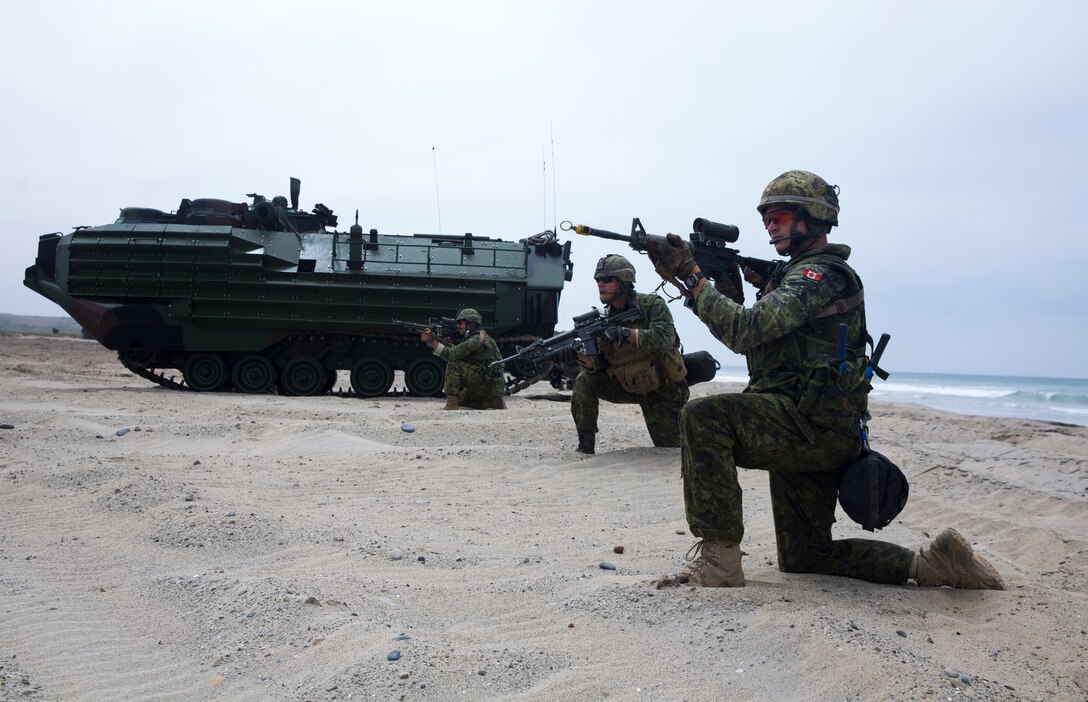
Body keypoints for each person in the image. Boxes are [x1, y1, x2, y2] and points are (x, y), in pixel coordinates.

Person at [645, 170, 1005, 590]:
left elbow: (743, 330)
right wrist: (707, 284)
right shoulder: (791, 278)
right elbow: (747, 339)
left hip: (809, 427)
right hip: (808, 426)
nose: (769, 224)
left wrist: (693, 277)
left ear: (812, 217)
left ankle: (720, 561)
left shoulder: (822, 275)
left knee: (703, 416)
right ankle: (931, 567)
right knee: (805, 557)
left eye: (778, 215)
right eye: (766, 218)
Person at [570, 254, 690, 454]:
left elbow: (665, 339)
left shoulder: (651, 305)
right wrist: (581, 359)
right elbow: (600, 362)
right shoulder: (602, 318)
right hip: (627, 385)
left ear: (624, 281)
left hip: (663, 389)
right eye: (598, 280)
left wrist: (624, 333)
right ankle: (585, 446)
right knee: (584, 380)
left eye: (607, 280)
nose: (600, 284)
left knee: (672, 449)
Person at [420, 308, 506, 410]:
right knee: (462, 400)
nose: (458, 326)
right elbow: (463, 354)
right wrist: (445, 343)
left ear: (471, 324)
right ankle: (493, 402)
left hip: (484, 384)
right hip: (489, 384)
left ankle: (451, 405)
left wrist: (431, 342)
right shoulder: (482, 336)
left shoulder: (475, 340)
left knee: (453, 364)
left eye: (460, 323)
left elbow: (452, 355)